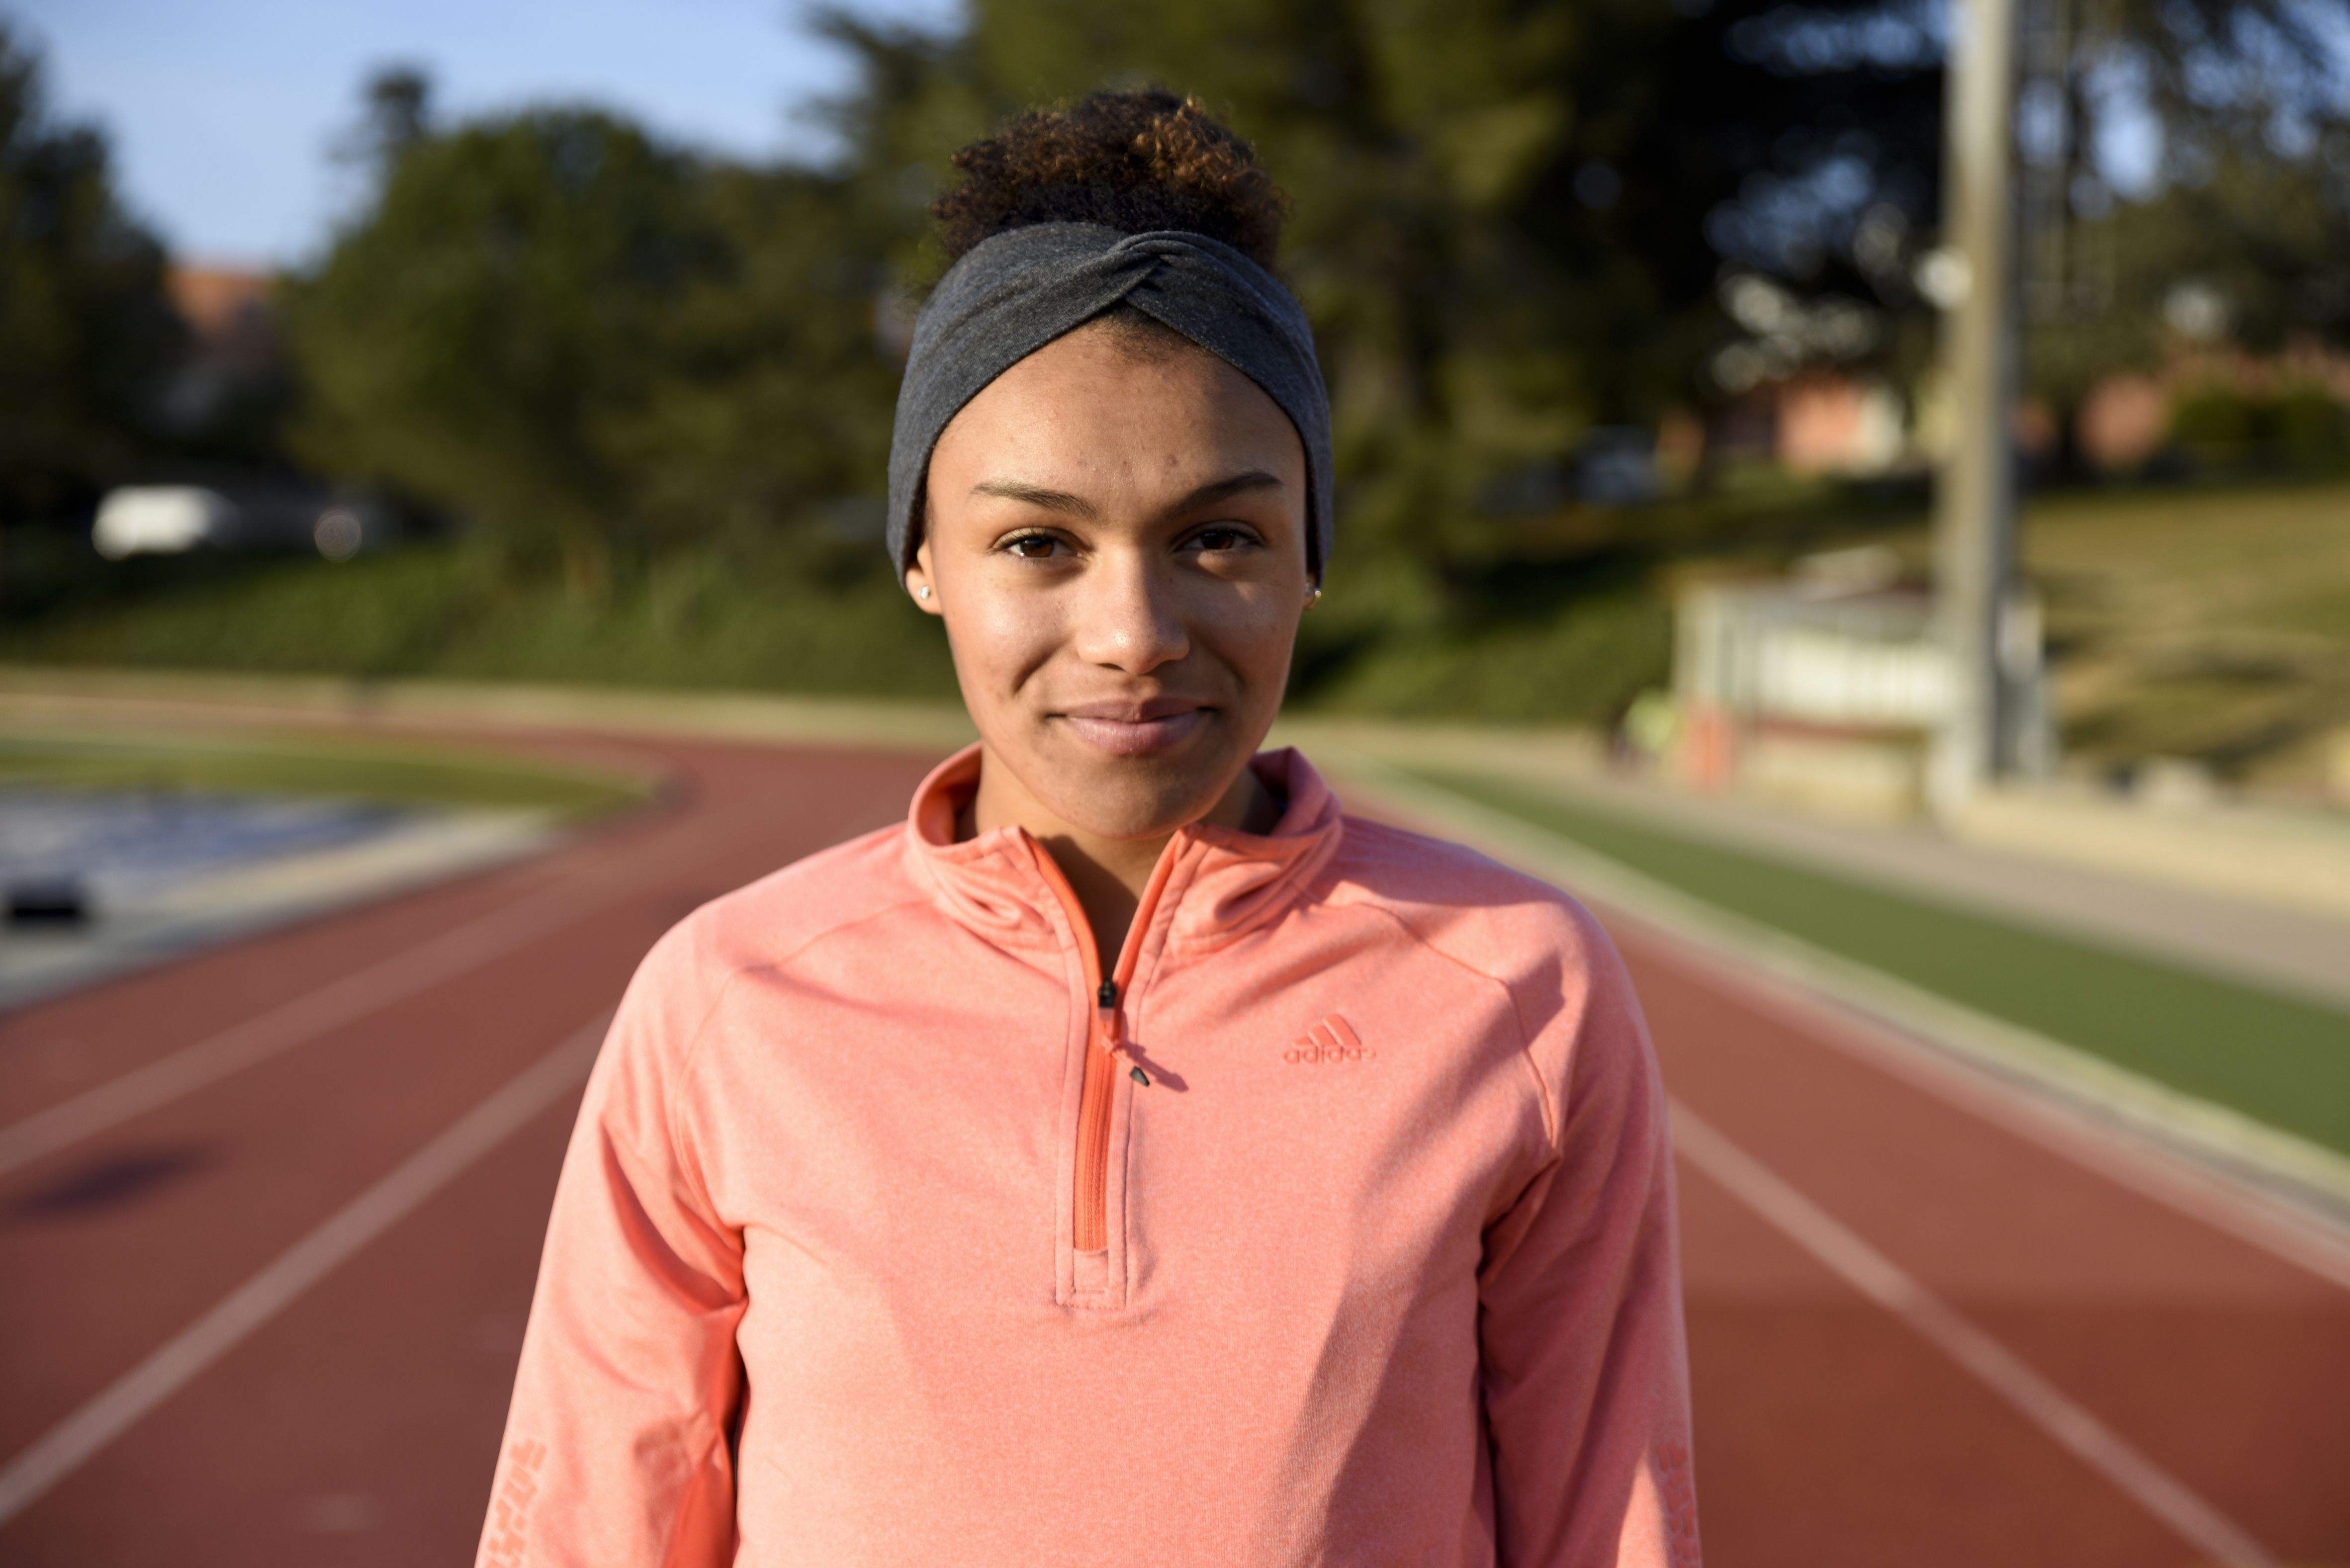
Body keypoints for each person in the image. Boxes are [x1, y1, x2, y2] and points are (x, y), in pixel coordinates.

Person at [476, 88, 1699, 1568]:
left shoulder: (1519, 988)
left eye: (1219, 538)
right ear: (924, 559)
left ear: (1312, 554)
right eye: (1038, 543)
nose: (1133, 630)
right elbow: (589, 1528)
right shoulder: (723, 1005)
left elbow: (1607, 1528)